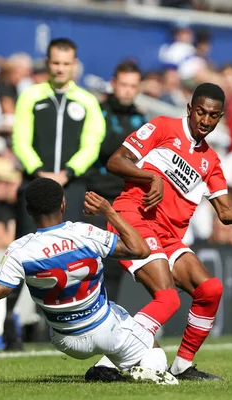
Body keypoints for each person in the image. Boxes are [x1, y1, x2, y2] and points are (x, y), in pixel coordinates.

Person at [85, 83, 232, 381]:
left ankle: (182, 365)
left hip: (168, 237)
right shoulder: (162, 127)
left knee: (210, 290)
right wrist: (151, 177)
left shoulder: (211, 162)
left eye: (213, 116)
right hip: (133, 219)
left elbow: (226, 213)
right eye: (200, 112)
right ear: (190, 109)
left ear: (220, 117)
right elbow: (115, 161)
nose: (205, 120)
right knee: (168, 299)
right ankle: (107, 365)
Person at [0, 178, 178, 385]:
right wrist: (109, 211)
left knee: (118, 316)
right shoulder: (83, 232)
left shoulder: (19, 250)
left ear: (29, 211)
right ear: (63, 204)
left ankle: (104, 368)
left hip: (65, 340)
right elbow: (140, 250)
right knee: (155, 355)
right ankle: (122, 367)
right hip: (105, 329)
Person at [9, 38, 105, 349]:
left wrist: (66, 174)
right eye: (55, 63)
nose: (60, 68)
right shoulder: (31, 96)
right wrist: (40, 171)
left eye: (66, 63)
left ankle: (77, 328)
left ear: (74, 64)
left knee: (73, 254)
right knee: (23, 252)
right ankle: (9, 327)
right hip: (35, 185)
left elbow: (93, 142)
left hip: (71, 186)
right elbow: (20, 138)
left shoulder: (87, 101)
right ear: (47, 63)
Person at [85, 60, 145, 302]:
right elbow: (107, 148)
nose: (128, 90)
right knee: (91, 261)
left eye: (133, 86)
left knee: (117, 262)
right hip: (95, 196)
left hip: (124, 199)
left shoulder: (140, 117)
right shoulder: (98, 112)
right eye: (123, 85)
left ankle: (109, 316)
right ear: (113, 84)